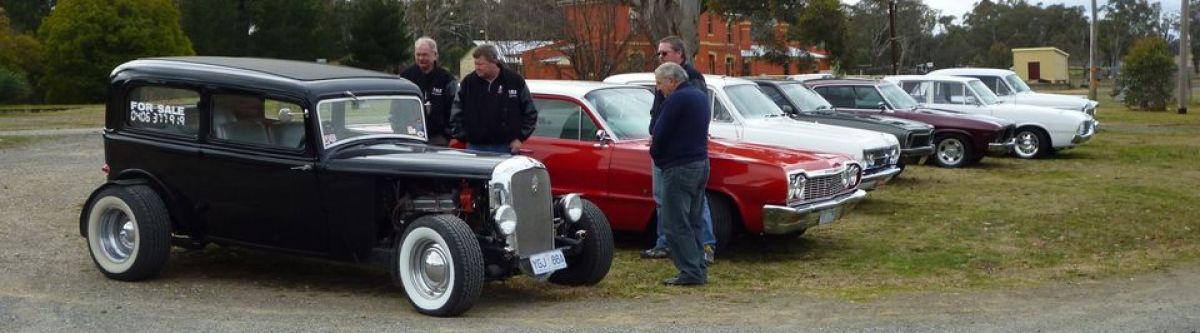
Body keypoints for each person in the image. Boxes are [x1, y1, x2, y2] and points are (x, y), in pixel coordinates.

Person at [641, 35, 716, 265]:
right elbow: (659, 112)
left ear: (680, 54)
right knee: (662, 198)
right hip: (665, 148)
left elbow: (690, 118)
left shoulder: (691, 81)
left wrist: (662, 144)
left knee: (694, 204)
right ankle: (665, 243)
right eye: (658, 54)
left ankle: (705, 247)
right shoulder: (664, 77)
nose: (660, 57)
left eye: (665, 53)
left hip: (682, 155)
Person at [650, 62, 711, 286]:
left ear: (673, 81)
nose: (658, 89)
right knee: (694, 220)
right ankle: (698, 267)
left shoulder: (676, 99)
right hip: (700, 163)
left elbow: (660, 131)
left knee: (675, 222)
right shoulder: (699, 96)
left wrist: (655, 153)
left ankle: (690, 271)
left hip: (679, 166)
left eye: (660, 83)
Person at [449, 44, 538, 154]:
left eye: (481, 64)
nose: (477, 67)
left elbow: (530, 113)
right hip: (475, 147)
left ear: (494, 62)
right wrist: (464, 136)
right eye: (475, 63)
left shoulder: (514, 81)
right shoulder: (468, 83)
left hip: (506, 147)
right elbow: (456, 112)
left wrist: (520, 138)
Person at [400, 37, 458, 146]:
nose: (421, 58)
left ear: (435, 55)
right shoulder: (405, 78)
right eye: (418, 55)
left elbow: (454, 110)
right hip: (410, 136)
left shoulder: (447, 80)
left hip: (439, 138)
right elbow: (397, 109)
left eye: (425, 55)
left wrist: (450, 134)